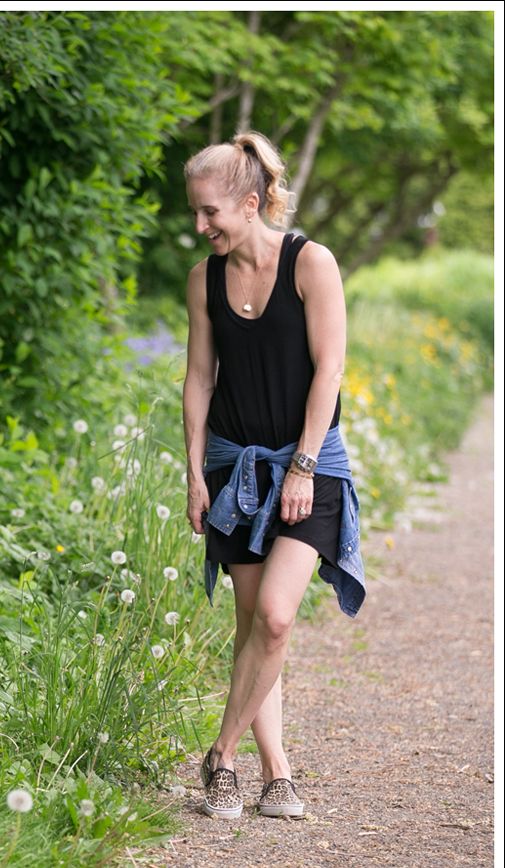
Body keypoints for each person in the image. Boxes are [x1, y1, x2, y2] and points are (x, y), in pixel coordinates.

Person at [182, 131, 365, 820]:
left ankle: (220, 755)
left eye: (210, 214)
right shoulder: (205, 278)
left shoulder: (312, 264)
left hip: (309, 461)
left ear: (251, 202)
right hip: (233, 467)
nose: (200, 227)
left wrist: (302, 466)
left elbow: (332, 371)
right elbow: (200, 379)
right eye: (196, 214)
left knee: (279, 616)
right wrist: (195, 472)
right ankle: (276, 775)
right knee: (254, 621)